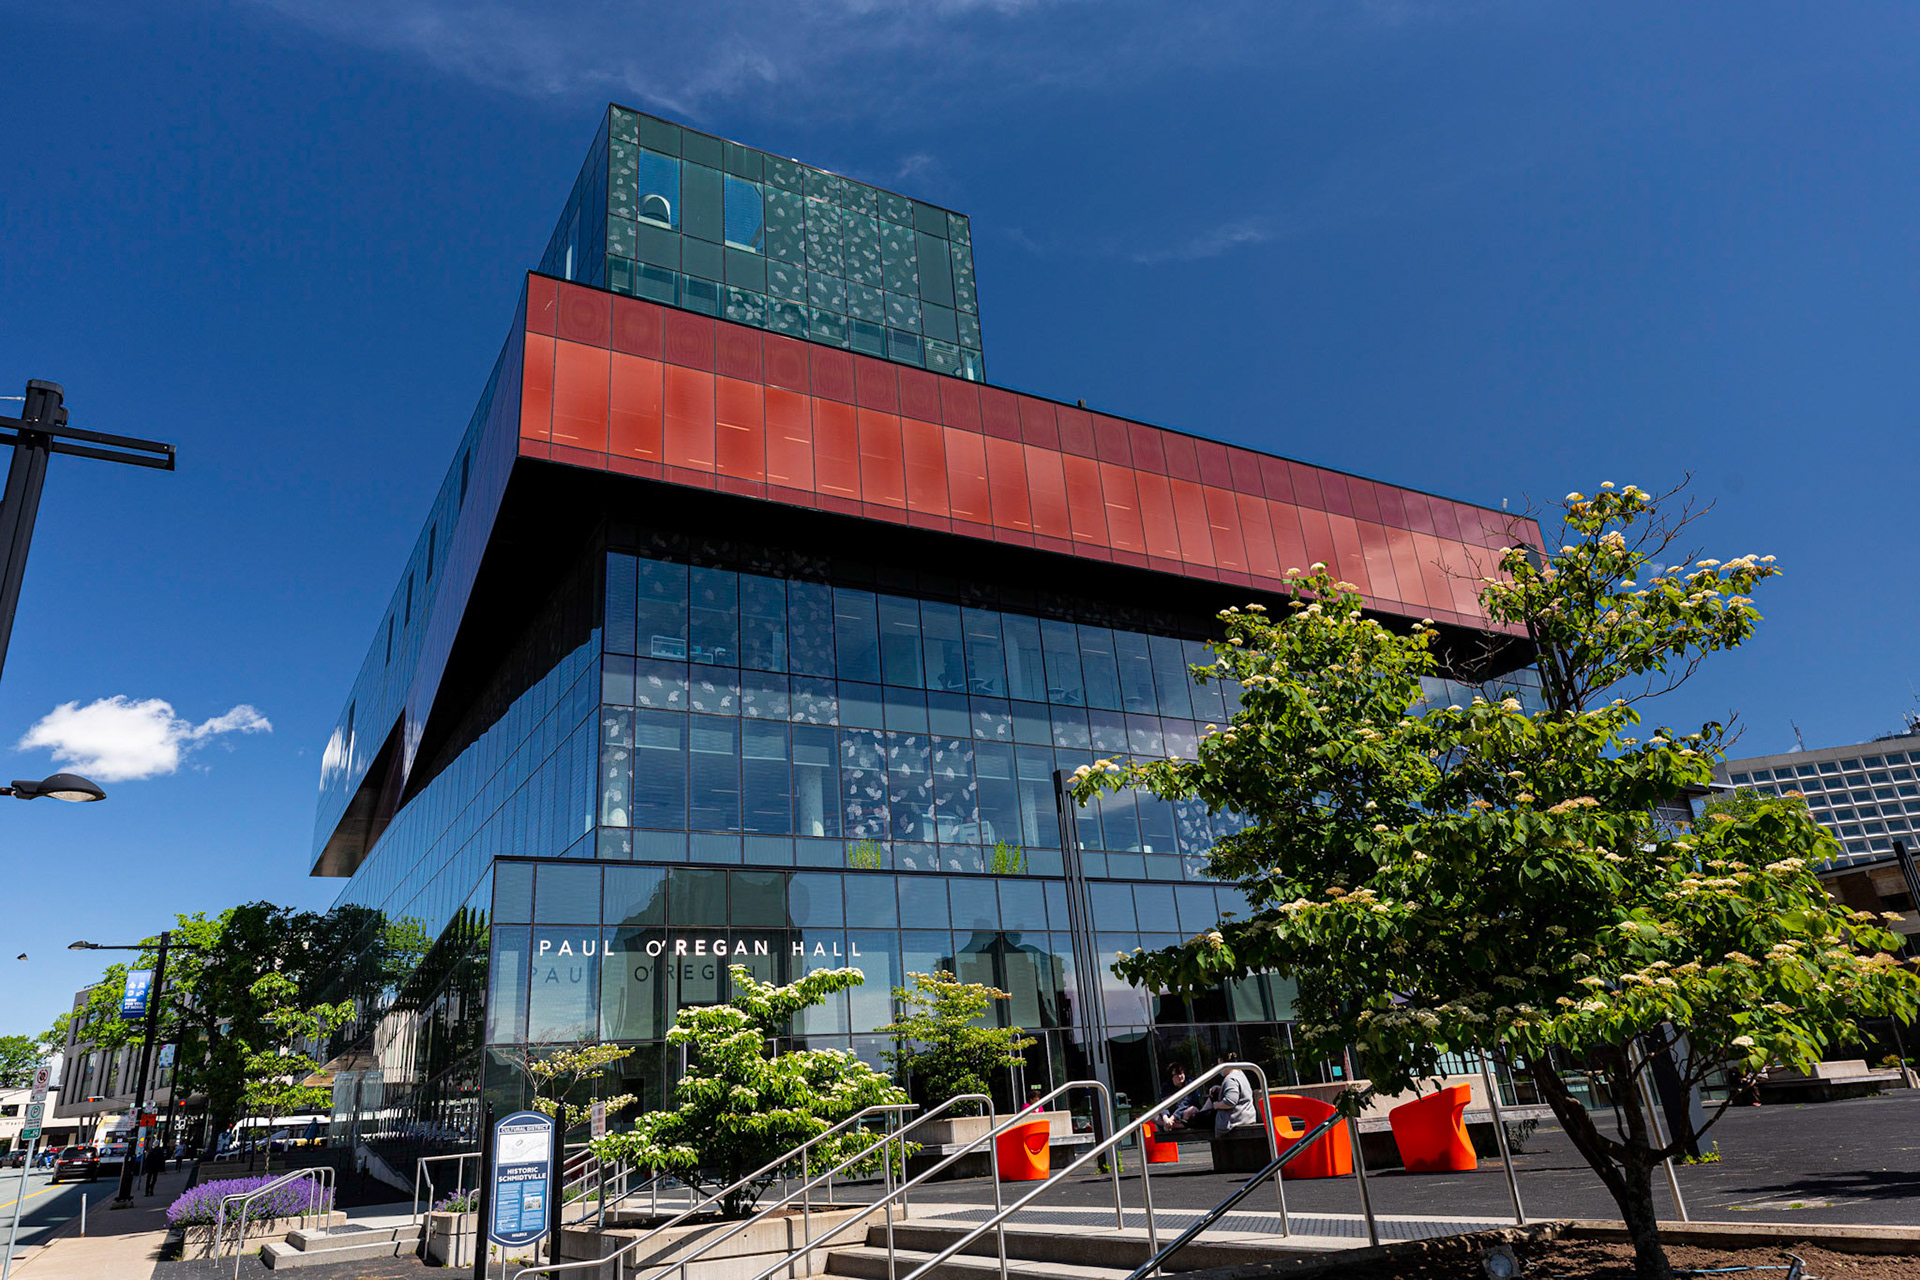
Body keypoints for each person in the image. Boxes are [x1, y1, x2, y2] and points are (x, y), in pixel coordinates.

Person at [1206, 1054, 1258, 1135]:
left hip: (1233, 1122)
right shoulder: (1240, 1074)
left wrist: (1216, 1105)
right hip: (1246, 1117)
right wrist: (1221, 1088)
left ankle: (1189, 1119)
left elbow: (1230, 1102)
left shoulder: (1230, 1079)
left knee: (1201, 1118)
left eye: (1219, 1064)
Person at [1156, 1063, 1207, 1132]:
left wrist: (1173, 1117)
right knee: (1153, 1116)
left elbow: (1186, 1103)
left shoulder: (1190, 1083)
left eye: (1182, 1073)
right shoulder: (1166, 1087)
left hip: (1184, 1112)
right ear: (1171, 1077)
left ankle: (1173, 1126)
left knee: (1191, 1110)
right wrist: (1165, 1118)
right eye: (1177, 1075)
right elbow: (1163, 1103)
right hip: (1171, 1113)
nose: (1180, 1076)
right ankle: (1170, 1125)